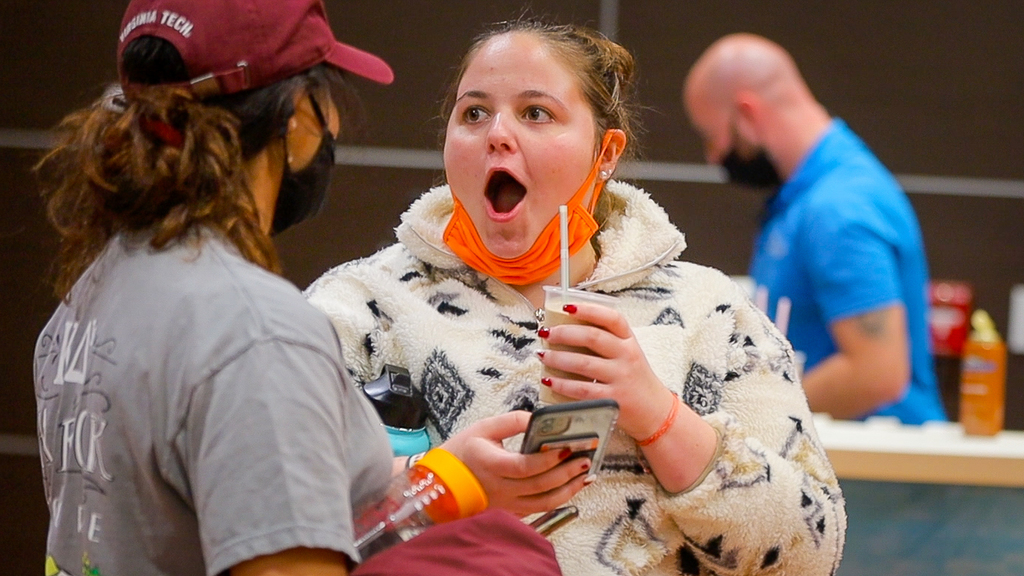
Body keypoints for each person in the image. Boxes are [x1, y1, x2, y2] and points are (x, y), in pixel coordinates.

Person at [32, 2, 571, 575]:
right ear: (297, 117)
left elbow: (220, 494)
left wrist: (445, 478)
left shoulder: (90, 298)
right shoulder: (258, 335)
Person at [307, 19, 846, 576]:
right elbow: (268, 515)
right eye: (473, 113)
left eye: (535, 113)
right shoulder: (360, 305)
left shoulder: (708, 312)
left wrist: (658, 417)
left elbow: (812, 552)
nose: (497, 133)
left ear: (604, 152)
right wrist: (439, 481)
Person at [683, 33, 946, 425]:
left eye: (713, 136)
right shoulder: (804, 199)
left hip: (880, 470)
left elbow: (877, 375)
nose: (713, 157)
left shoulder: (838, 207)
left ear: (748, 113)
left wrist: (753, 408)